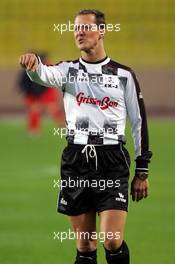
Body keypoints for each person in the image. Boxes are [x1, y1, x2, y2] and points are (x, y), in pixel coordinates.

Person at [19, 9, 152, 264]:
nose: (79, 32)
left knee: (111, 240)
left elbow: (138, 122)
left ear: (101, 31)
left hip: (112, 160)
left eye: (85, 27)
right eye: (76, 28)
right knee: (85, 245)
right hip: (76, 160)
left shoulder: (124, 75)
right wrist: (33, 64)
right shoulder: (68, 70)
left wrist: (142, 169)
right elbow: (43, 74)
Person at [18, 52, 64, 134]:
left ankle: (63, 126)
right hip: (32, 94)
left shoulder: (48, 70)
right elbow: (24, 85)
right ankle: (34, 129)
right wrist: (36, 99)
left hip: (43, 92)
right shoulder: (31, 70)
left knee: (52, 108)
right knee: (35, 110)